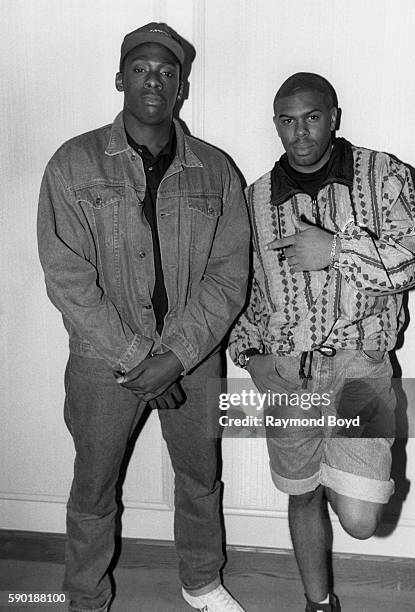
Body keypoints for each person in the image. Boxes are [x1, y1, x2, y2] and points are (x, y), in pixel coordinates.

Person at [37, 22, 249, 612]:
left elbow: (231, 274)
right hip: (104, 365)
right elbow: (67, 275)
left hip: (196, 360)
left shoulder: (216, 170)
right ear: (119, 78)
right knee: (93, 490)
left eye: (167, 71)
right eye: (141, 68)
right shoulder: (73, 164)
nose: (153, 79)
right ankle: (84, 598)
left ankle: (202, 583)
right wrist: (138, 360)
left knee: (201, 482)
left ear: (180, 86)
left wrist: (176, 356)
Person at [229, 72, 415, 612]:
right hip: (288, 370)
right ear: (276, 124)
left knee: (361, 518)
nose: (300, 133)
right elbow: (243, 291)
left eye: (312, 117)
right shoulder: (254, 200)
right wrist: (251, 356)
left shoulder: (384, 174)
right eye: (287, 120)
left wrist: (337, 251)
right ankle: (319, 604)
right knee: (301, 493)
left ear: (334, 115)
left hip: (358, 368)